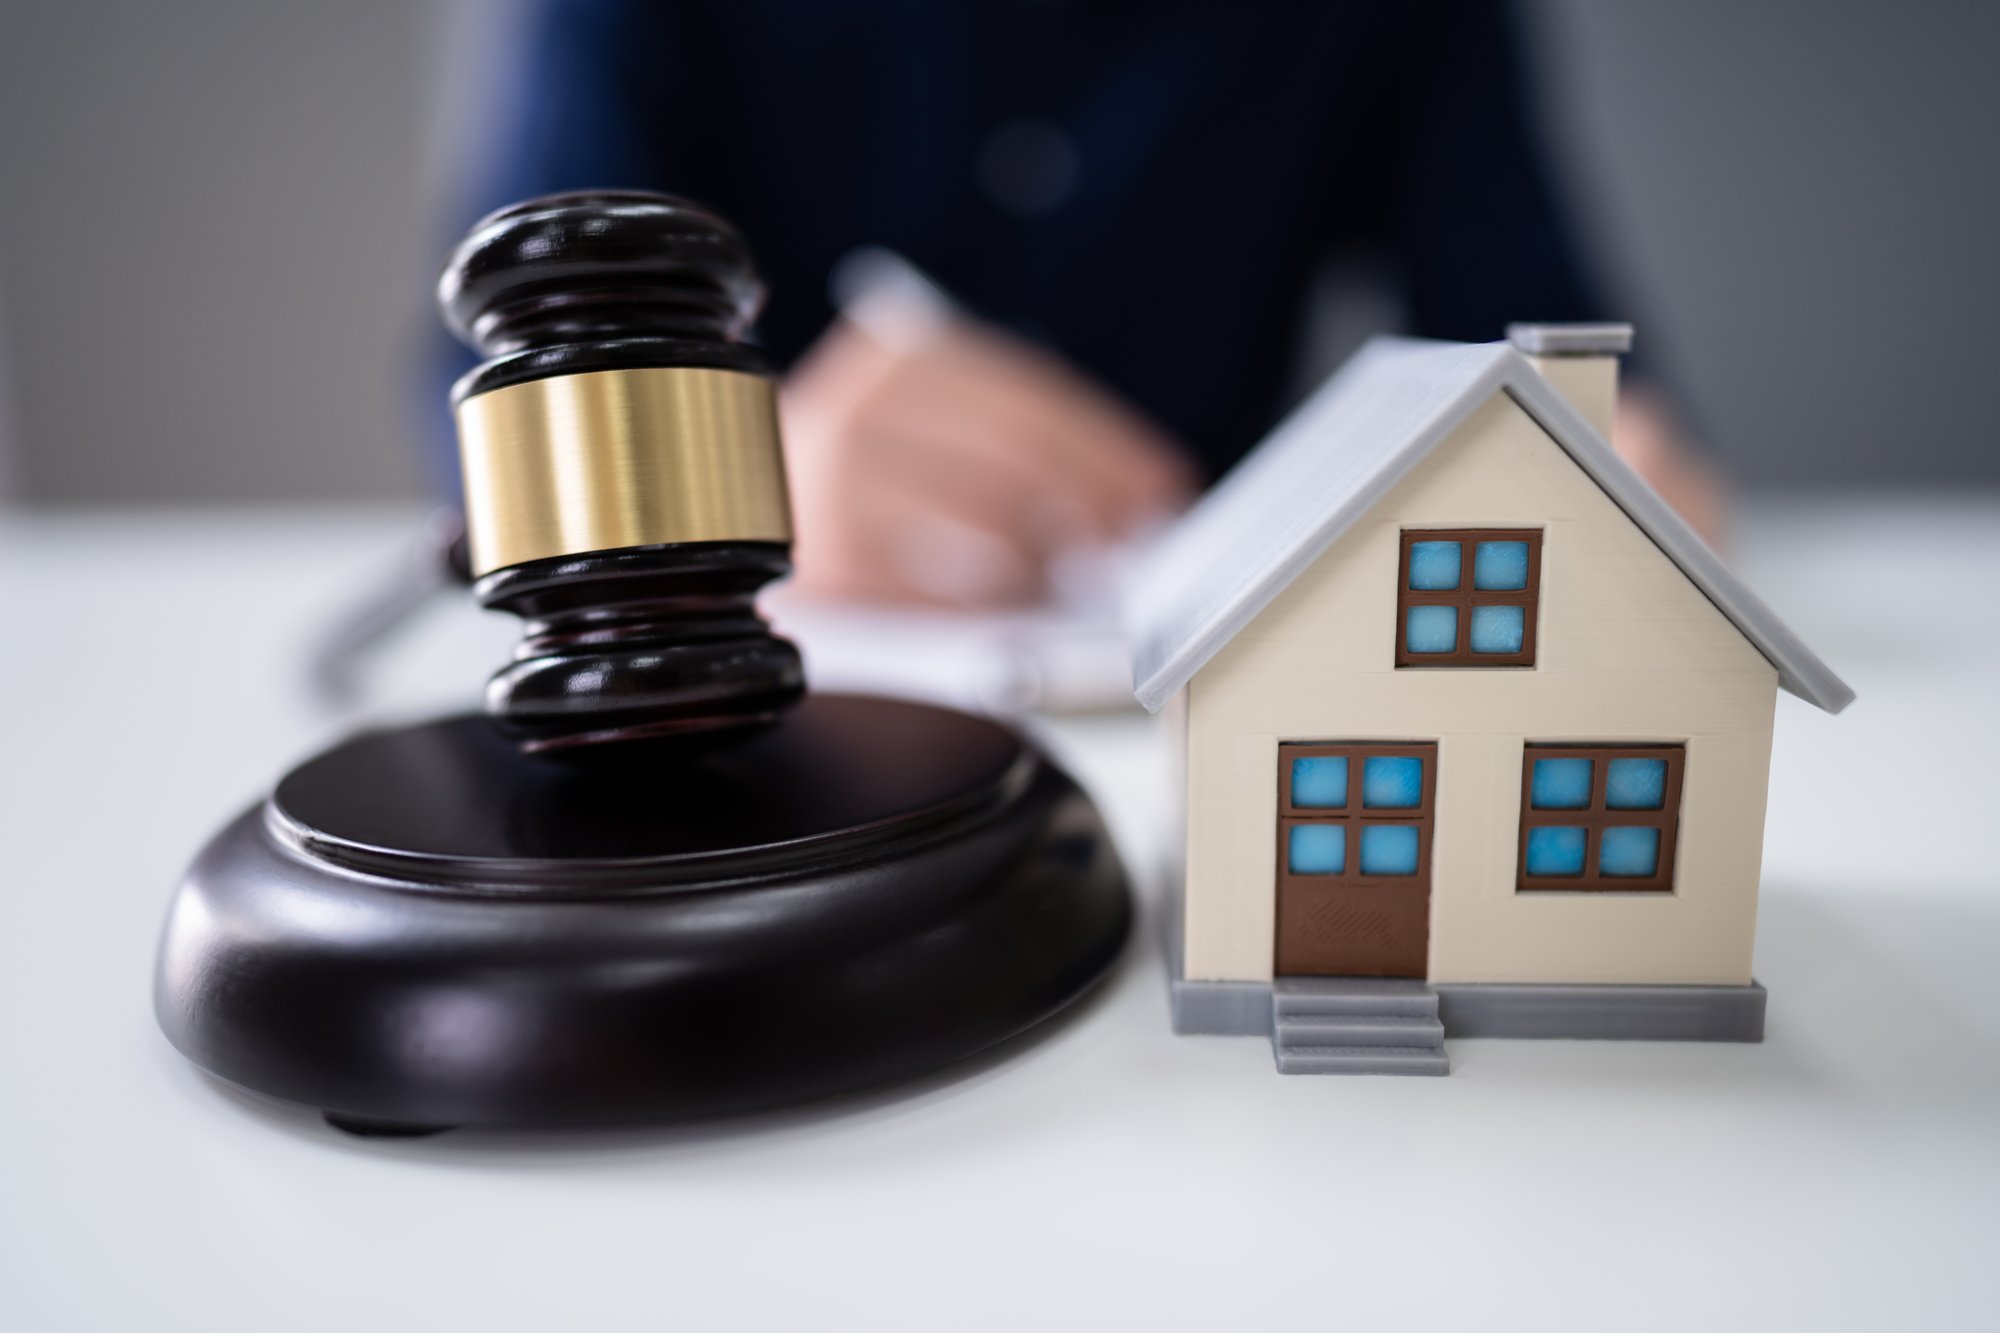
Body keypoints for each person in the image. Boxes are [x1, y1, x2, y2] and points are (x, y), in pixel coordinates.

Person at [435, 0, 1722, 607]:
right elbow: (484, 375)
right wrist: (720, 484)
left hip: (1185, 687)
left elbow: (1551, 363)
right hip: (785, 672)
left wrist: (1608, 462)